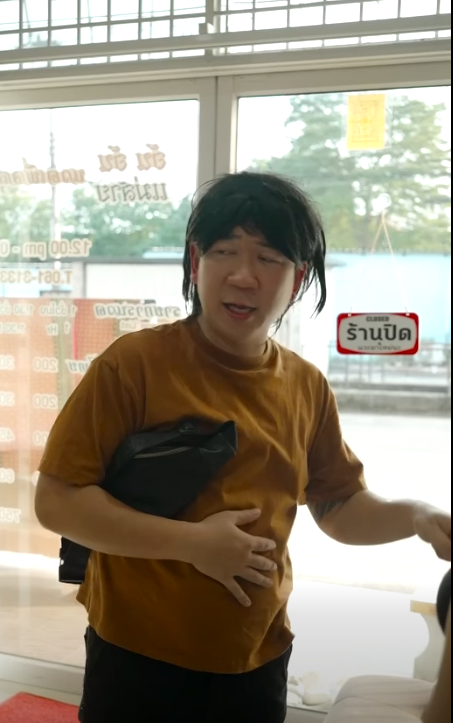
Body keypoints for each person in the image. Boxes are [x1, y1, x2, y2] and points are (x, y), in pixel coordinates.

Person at [34, 172, 451, 723]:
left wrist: (417, 516)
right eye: (224, 252)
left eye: (269, 258)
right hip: (137, 652)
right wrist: (193, 544)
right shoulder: (133, 365)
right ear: (195, 262)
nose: (243, 276)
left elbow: (339, 507)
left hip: (257, 656)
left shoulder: (305, 385)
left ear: (299, 278)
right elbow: (58, 500)